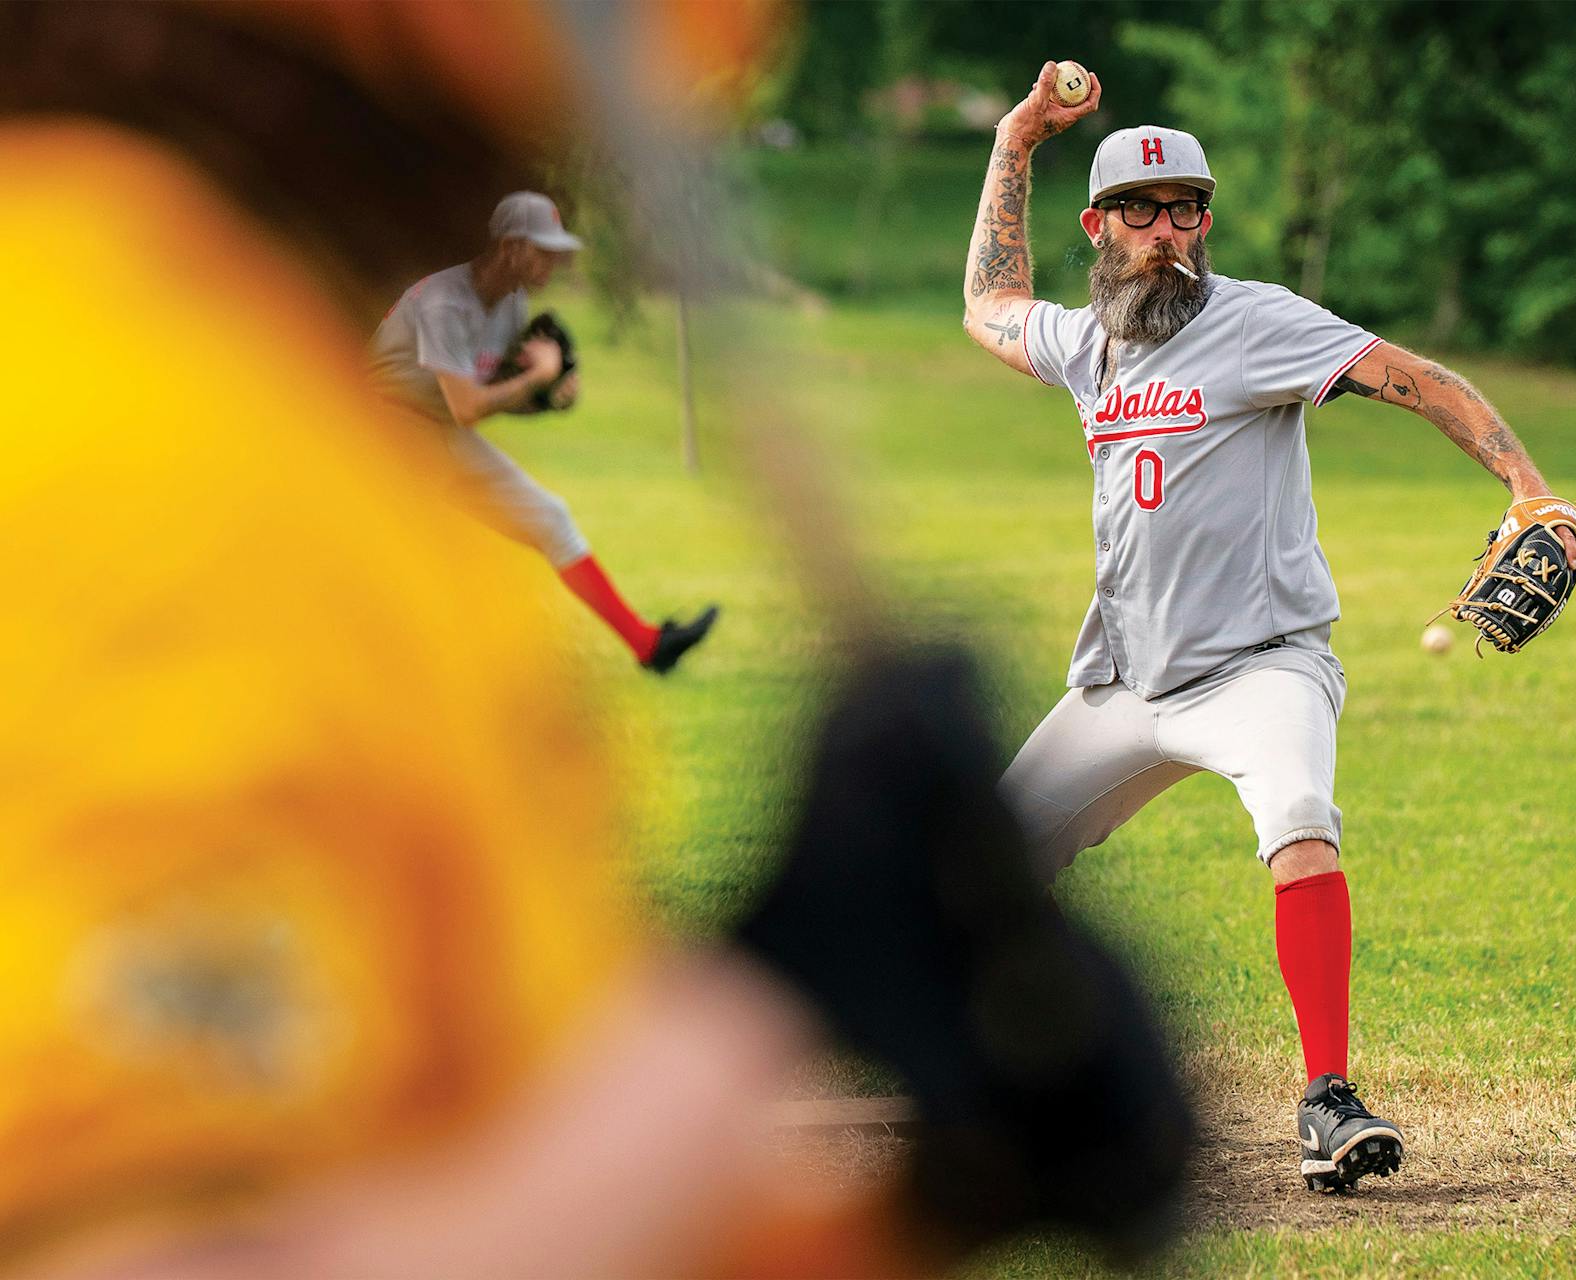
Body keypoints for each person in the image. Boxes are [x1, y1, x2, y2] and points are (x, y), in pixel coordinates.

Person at [1, 7, 1188, 1275]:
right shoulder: (126, 410)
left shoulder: (286, 408)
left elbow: (469, 1182)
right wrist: (764, 1002)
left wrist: (912, 1207)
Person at [959, 62, 1576, 1194]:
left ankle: (1326, 1097)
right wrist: (1015, 140)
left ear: (1205, 222)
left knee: (1299, 813)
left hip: (1261, 666)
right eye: (1141, 211)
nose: (1166, 231)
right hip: (1122, 683)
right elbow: (986, 303)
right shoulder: (1086, 345)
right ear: (1099, 228)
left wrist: (1526, 487)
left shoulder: (1256, 322)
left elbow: (1416, 378)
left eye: (1186, 208)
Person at [369, 191, 720, 673]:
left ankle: (648, 646)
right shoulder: (444, 301)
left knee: (550, 518)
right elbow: (469, 407)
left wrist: (546, 400)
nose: (554, 261)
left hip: (437, 433)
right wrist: (535, 378)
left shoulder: (510, 306)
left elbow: (491, 398)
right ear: (511, 247)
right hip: (376, 436)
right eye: (544, 249)